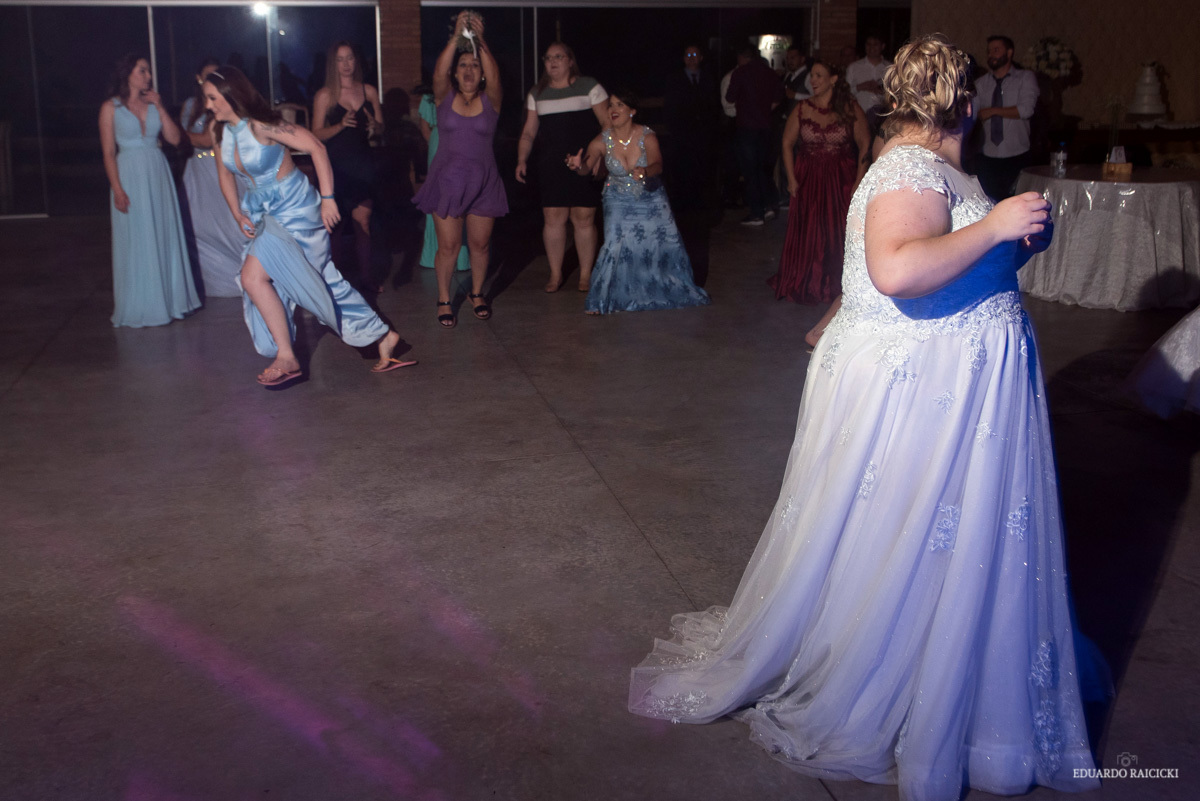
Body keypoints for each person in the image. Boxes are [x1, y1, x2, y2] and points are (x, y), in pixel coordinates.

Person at [630, 34, 1101, 801]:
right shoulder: (909, 167)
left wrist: (1013, 242)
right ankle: (902, 689)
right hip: (931, 385)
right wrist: (995, 225)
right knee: (910, 534)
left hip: (966, 383)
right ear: (963, 100)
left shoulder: (940, 166)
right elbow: (897, 268)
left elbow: (946, 261)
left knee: (946, 538)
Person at [203, 65, 413, 386]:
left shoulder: (262, 124)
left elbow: (316, 146)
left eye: (212, 97)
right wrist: (236, 213)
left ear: (231, 95)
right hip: (263, 214)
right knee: (315, 278)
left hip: (295, 208)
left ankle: (287, 357)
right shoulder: (218, 131)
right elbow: (224, 175)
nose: (208, 105)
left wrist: (328, 198)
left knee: (253, 277)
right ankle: (382, 336)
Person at [566, 90, 710, 315]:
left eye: (619, 105)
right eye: (611, 105)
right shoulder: (602, 140)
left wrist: (645, 171)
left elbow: (658, 165)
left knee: (657, 244)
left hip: (650, 196)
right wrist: (578, 166)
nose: (613, 110)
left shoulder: (647, 136)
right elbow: (587, 167)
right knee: (614, 242)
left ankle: (658, 289)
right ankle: (606, 297)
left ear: (632, 111)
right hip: (617, 197)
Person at [412, 11, 508, 328]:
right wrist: (457, 37)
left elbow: (496, 77)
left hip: (484, 183)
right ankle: (444, 298)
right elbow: (438, 73)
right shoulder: (444, 98)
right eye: (463, 65)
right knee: (449, 247)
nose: (469, 70)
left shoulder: (492, 100)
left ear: (482, 73)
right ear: (455, 72)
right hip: (448, 182)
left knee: (480, 246)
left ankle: (477, 293)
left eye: (475, 66)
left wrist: (481, 42)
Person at [99, 53, 201, 328]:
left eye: (148, 71)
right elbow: (108, 153)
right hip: (129, 175)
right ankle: (140, 303)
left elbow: (175, 139)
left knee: (163, 233)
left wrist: (160, 106)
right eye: (143, 70)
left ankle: (169, 301)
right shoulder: (110, 107)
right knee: (136, 237)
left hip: (157, 173)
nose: (148, 76)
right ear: (128, 73)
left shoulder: (154, 103)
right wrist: (117, 189)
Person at [770, 61, 869, 304]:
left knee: (838, 231)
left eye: (818, 75)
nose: (813, 80)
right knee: (810, 230)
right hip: (809, 179)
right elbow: (786, 143)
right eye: (812, 76)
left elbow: (865, 144)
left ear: (833, 79)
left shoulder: (849, 107)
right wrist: (791, 179)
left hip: (840, 179)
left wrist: (859, 179)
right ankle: (807, 280)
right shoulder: (802, 108)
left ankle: (842, 283)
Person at [516, 42, 608, 292]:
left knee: (583, 218)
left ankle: (585, 275)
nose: (552, 62)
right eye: (548, 58)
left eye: (558, 57)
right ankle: (555, 274)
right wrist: (522, 159)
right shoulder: (537, 93)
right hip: (551, 164)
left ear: (570, 61)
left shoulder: (589, 86)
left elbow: (607, 124)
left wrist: (599, 157)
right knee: (553, 218)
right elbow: (529, 132)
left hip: (584, 161)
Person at [312, 41, 384, 291]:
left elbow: (380, 129)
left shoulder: (369, 91)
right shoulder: (325, 95)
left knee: (362, 224)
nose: (346, 64)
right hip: (335, 169)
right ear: (333, 64)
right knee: (335, 228)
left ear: (356, 61)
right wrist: (340, 125)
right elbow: (315, 135)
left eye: (350, 58)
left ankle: (366, 278)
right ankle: (333, 283)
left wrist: (376, 127)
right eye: (340, 59)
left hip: (362, 166)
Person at [180, 57, 245, 298]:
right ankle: (211, 280)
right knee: (198, 225)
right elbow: (186, 136)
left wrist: (179, 136)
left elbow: (206, 140)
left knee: (228, 224)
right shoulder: (191, 105)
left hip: (218, 165)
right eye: (208, 76)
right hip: (196, 170)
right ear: (199, 79)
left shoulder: (226, 105)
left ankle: (247, 273)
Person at [974, 35, 1039, 202]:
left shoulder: (1025, 78)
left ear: (1009, 53)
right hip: (988, 156)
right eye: (989, 51)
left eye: (996, 50)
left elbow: (1026, 110)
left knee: (1017, 202)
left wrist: (993, 111)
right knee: (989, 203)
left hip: (1017, 154)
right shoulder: (981, 84)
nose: (991, 55)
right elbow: (974, 113)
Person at [725, 47, 784, 227]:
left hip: (747, 127)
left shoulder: (740, 73)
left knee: (750, 171)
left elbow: (729, 97)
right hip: (766, 127)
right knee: (763, 169)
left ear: (742, 57)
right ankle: (769, 206)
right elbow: (778, 98)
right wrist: (764, 109)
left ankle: (756, 213)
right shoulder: (770, 73)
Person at [416, 91, 471, 274]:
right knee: (438, 196)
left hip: (465, 144)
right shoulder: (429, 96)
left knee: (462, 194)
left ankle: (462, 257)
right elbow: (425, 128)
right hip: (439, 144)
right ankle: (436, 254)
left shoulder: (466, 92)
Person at [662, 43, 720, 212]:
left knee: (702, 170)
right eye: (688, 55)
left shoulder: (708, 78)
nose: (691, 59)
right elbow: (670, 106)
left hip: (703, 135)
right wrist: (674, 129)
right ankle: (683, 205)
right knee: (682, 170)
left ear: (701, 58)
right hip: (682, 135)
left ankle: (701, 204)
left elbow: (713, 106)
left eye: (695, 55)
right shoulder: (675, 79)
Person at [845, 35, 891, 131]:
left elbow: (896, 94)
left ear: (882, 46)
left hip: (882, 119)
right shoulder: (854, 67)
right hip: (858, 118)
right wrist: (860, 87)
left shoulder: (890, 68)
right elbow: (844, 92)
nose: (871, 48)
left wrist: (881, 90)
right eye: (869, 44)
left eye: (875, 44)